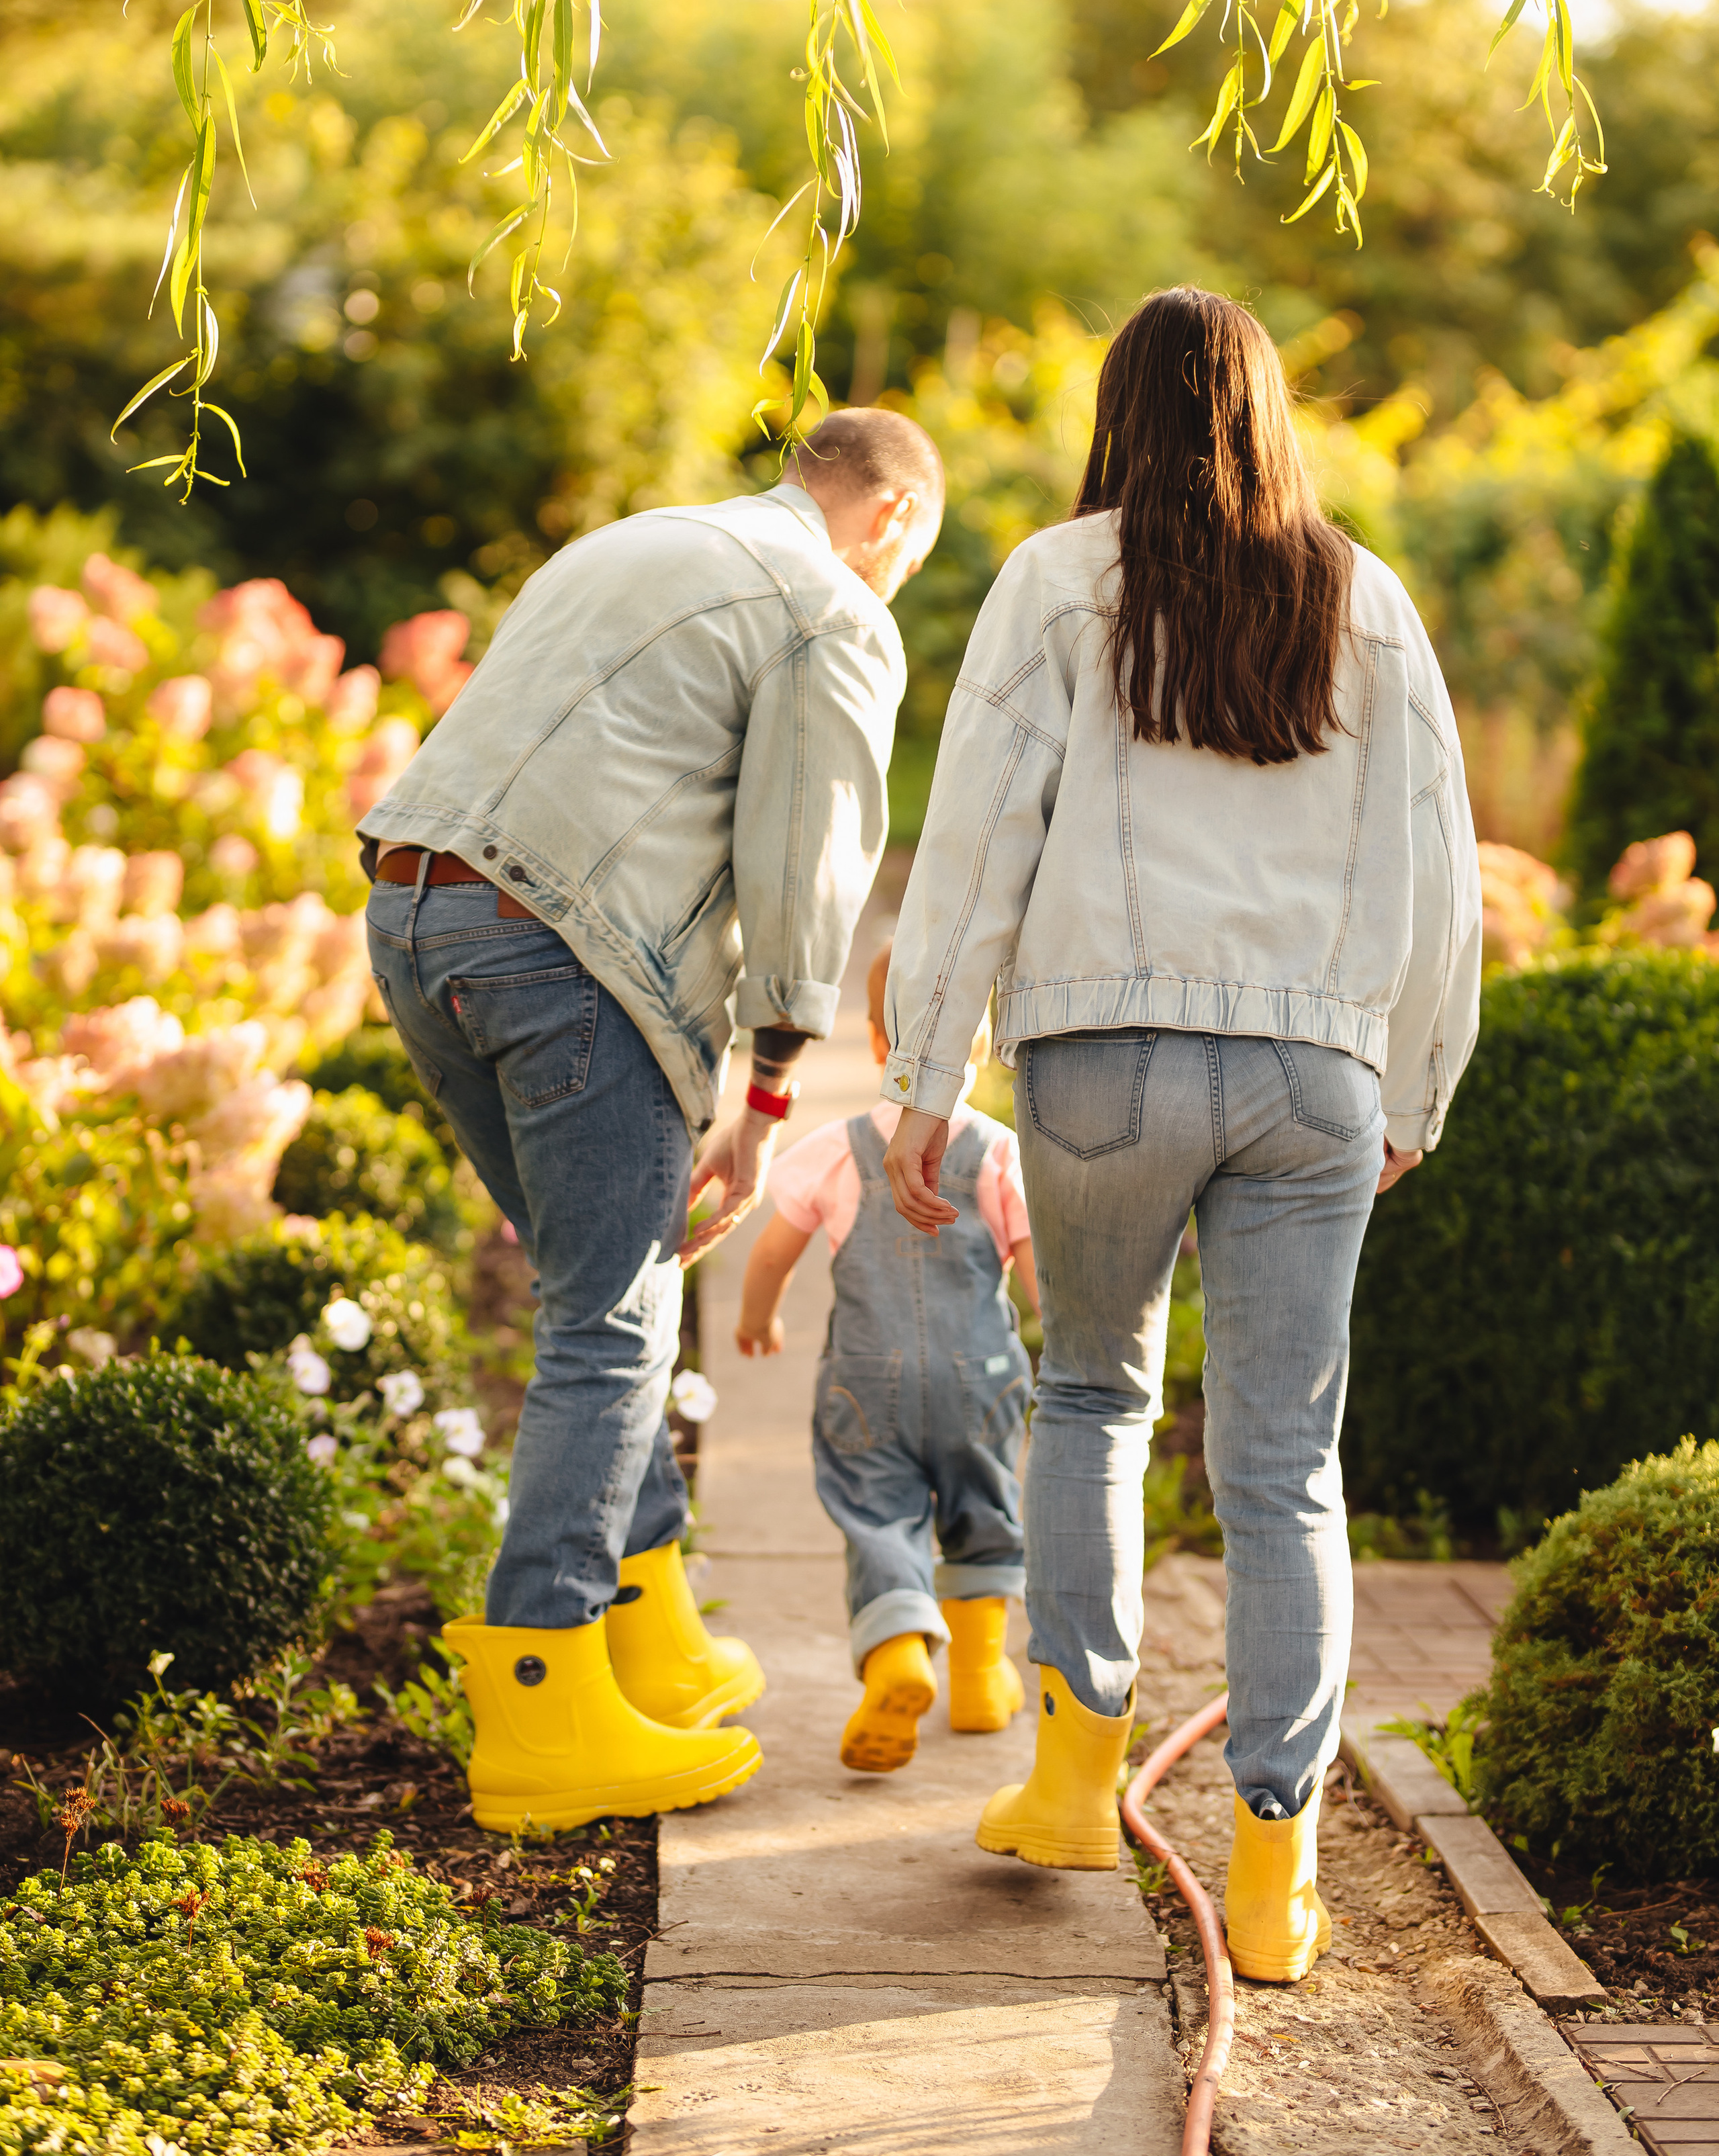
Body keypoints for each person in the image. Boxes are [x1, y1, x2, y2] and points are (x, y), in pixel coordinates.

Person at [880, 287, 1481, 1982]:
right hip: (1311, 1082)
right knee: (1285, 1464)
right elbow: (1434, 875)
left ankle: (1074, 1781)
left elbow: (979, 832)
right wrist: (1413, 1087)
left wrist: (926, 1076)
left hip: (1101, 1058)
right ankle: (1276, 1871)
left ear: (1117, 412)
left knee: (1088, 1391)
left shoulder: (1055, 579)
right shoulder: (1370, 602)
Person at [357, 410, 945, 1834]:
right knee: (611, 1318)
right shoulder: (833, 608)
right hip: (553, 944)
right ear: (894, 521)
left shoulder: (637, 540)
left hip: (415, 915)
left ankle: (649, 1630)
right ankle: (546, 1707)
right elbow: (809, 863)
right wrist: (761, 1092)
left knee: (597, 1282)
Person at [735, 941, 1038, 1773]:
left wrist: (757, 1321)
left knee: (878, 1516)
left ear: (875, 1042)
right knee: (985, 1509)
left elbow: (770, 1254)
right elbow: (1039, 1272)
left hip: (865, 1381)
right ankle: (979, 1678)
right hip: (978, 1376)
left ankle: (900, 1651)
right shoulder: (1002, 1153)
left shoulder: (838, 1148)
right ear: (982, 1044)